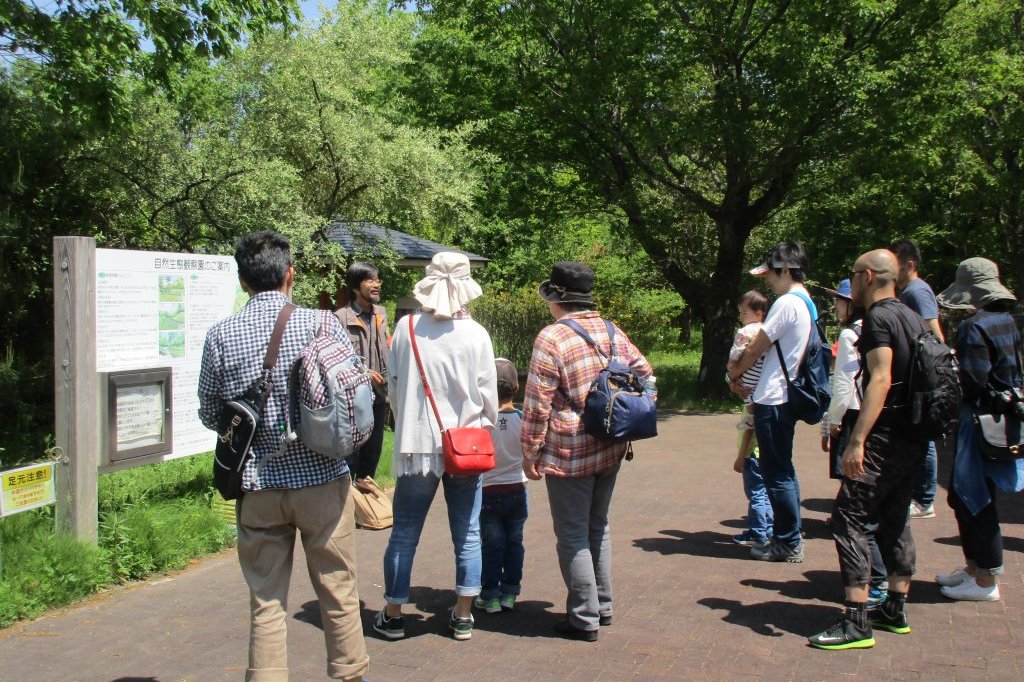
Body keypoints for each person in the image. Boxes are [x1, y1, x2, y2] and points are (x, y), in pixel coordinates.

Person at [197, 231, 369, 682]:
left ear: (242, 281)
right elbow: (349, 392)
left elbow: (211, 411)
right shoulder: (323, 323)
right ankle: (351, 675)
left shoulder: (220, 335)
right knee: (338, 588)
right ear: (290, 274)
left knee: (265, 601)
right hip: (321, 479)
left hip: (258, 485)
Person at [521, 261, 652, 642]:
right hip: (611, 443)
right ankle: (603, 605)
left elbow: (537, 403)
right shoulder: (611, 330)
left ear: (557, 299)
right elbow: (645, 371)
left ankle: (583, 618)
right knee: (599, 526)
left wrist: (530, 452)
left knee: (573, 534)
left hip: (569, 451)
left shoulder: (552, 338)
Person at [373, 252, 498, 642]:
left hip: (416, 445)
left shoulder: (406, 328)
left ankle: (393, 614)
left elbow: (392, 388)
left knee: (405, 532)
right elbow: (488, 398)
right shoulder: (477, 334)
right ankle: (463, 617)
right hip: (466, 447)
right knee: (469, 532)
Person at [808, 249, 929, 650]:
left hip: (883, 435)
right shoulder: (911, 315)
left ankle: (856, 619)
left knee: (848, 518)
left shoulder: (878, 318)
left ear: (871, 276)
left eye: (854, 273)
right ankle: (895, 605)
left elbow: (879, 379)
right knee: (894, 517)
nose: (852, 281)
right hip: (912, 436)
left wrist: (857, 440)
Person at [934, 257, 1024, 601]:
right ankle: (974, 569)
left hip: (979, 422)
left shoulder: (975, 327)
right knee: (968, 495)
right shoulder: (1007, 322)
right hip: (1002, 422)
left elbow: (972, 381)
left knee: (975, 498)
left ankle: (986, 580)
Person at [729, 242, 816, 562]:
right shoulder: (807, 301)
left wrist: (734, 374)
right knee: (782, 470)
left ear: (787, 270)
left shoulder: (787, 303)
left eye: (771, 273)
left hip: (774, 398)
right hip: (785, 395)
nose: (768, 280)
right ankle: (788, 536)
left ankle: (788, 542)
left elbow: (756, 348)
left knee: (775, 473)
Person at [819, 281, 888, 609]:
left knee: (852, 508)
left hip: (854, 418)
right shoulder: (881, 328)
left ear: (852, 303)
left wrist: (831, 423)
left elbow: (844, 385)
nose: (836, 307)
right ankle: (885, 577)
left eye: (839, 301)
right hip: (882, 422)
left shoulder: (850, 335)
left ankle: (874, 581)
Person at [889, 239, 943, 520]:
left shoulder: (917, 292)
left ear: (909, 265)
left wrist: (925, 375)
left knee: (924, 438)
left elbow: (935, 336)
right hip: (915, 375)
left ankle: (924, 499)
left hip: (922, 376)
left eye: (894, 263)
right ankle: (918, 495)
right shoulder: (910, 291)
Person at [473, 358, 529, 614]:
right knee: (514, 542)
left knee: (491, 544)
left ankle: (490, 594)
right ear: (517, 388)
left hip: (488, 491)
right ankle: (510, 592)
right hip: (517, 489)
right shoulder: (523, 419)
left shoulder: (484, 423)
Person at [334, 262, 390, 489]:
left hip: (380, 398)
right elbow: (335, 360)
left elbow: (387, 348)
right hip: (352, 402)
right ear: (356, 287)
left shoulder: (381, 314)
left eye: (377, 280)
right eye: (370, 280)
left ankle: (366, 510)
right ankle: (346, 509)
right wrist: (363, 373)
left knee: (371, 457)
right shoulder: (340, 318)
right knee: (350, 459)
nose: (376, 284)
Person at [725, 290, 773, 549]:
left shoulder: (746, 333)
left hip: (750, 389)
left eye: (744, 312)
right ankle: (767, 527)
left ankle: (760, 531)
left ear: (758, 312)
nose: (741, 316)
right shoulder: (768, 333)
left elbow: (735, 357)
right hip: (760, 387)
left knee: (756, 491)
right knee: (766, 489)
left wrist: (730, 373)